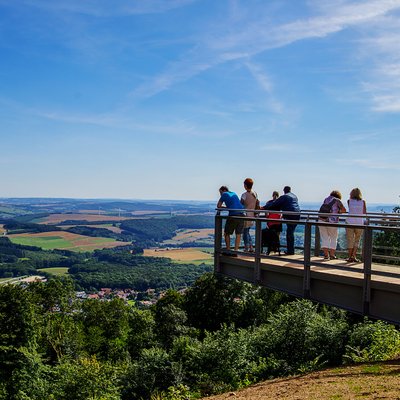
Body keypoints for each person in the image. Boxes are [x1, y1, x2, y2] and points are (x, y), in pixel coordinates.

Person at [263, 186, 300, 255]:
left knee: (289, 233)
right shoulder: (294, 196)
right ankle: (291, 250)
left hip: (290, 216)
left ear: (284, 191)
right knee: (290, 232)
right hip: (297, 215)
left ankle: (290, 251)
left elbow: (275, 204)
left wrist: (264, 207)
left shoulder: (284, 197)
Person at [318, 190, 346, 260]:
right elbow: (344, 210)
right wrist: (339, 211)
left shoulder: (326, 199)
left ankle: (326, 255)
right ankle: (332, 255)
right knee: (333, 238)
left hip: (321, 220)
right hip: (332, 222)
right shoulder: (338, 200)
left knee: (324, 238)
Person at [217, 186, 245, 254]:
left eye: (220, 192)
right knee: (238, 234)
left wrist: (226, 207)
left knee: (226, 233)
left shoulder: (224, 194)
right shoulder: (234, 193)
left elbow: (218, 205)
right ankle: (236, 251)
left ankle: (228, 251)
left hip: (233, 214)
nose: (220, 194)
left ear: (223, 190)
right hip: (242, 214)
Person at [346, 188, 367, 263]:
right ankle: (354, 256)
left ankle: (349, 257)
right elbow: (364, 212)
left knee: (350, 240)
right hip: (359, 222)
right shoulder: (363, 202)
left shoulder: (349, 201)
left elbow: (350, 209)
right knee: (357, 240)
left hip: (350, 222)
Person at [240, 178, 259, 252]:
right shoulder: (255, 193)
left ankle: (246, 247)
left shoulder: (244, 195)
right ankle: (251, 247)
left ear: (245, 185)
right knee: (247, 232)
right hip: (252, 215)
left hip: (246, 215)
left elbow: (240, 205)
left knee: (245, 233)